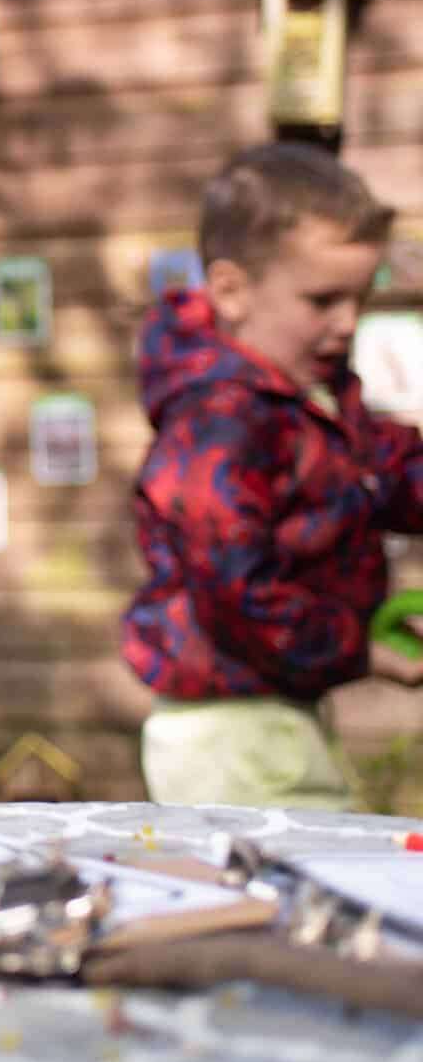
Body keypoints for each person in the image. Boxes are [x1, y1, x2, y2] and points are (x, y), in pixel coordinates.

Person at [122, 140, 423, 810]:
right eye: (322, 299)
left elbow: (382, 468)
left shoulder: (309, 395)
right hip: (227, 726)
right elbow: (235, 586)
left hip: (276, 706)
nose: (347, 323)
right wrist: (359, 651)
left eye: (359, 296)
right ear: (231, 290)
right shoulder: (221, 422)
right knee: (296, 896)